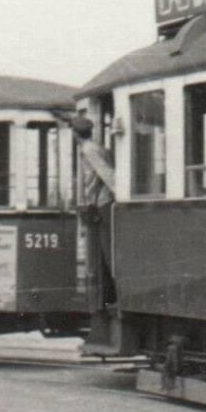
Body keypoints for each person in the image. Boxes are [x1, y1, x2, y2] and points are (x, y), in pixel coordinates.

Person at [72, 114, 117, 288]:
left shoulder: (89, 150)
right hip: (101, 202)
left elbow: (106, 173)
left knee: (106, 250)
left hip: (102, 203)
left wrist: (119, 196)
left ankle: (112, 293)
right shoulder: (97, 147)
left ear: (76, 133)